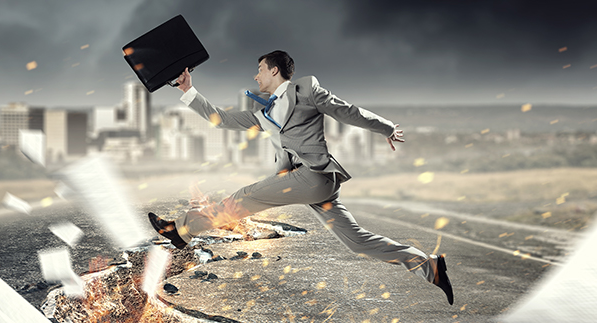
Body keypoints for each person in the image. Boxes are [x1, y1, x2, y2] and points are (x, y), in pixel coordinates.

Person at [148, 50, 454, 305]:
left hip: (314, 175)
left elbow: (346, 111)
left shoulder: (305, 90)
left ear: (275, 70)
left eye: (260, 70)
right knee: (357, 242)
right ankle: (429, 266)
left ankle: (182, 230)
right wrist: (188, 90)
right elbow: (222, 119)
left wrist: (385, 127)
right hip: (305, 183)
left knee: (246, 196)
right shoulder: (264, 113)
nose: (256, 77)